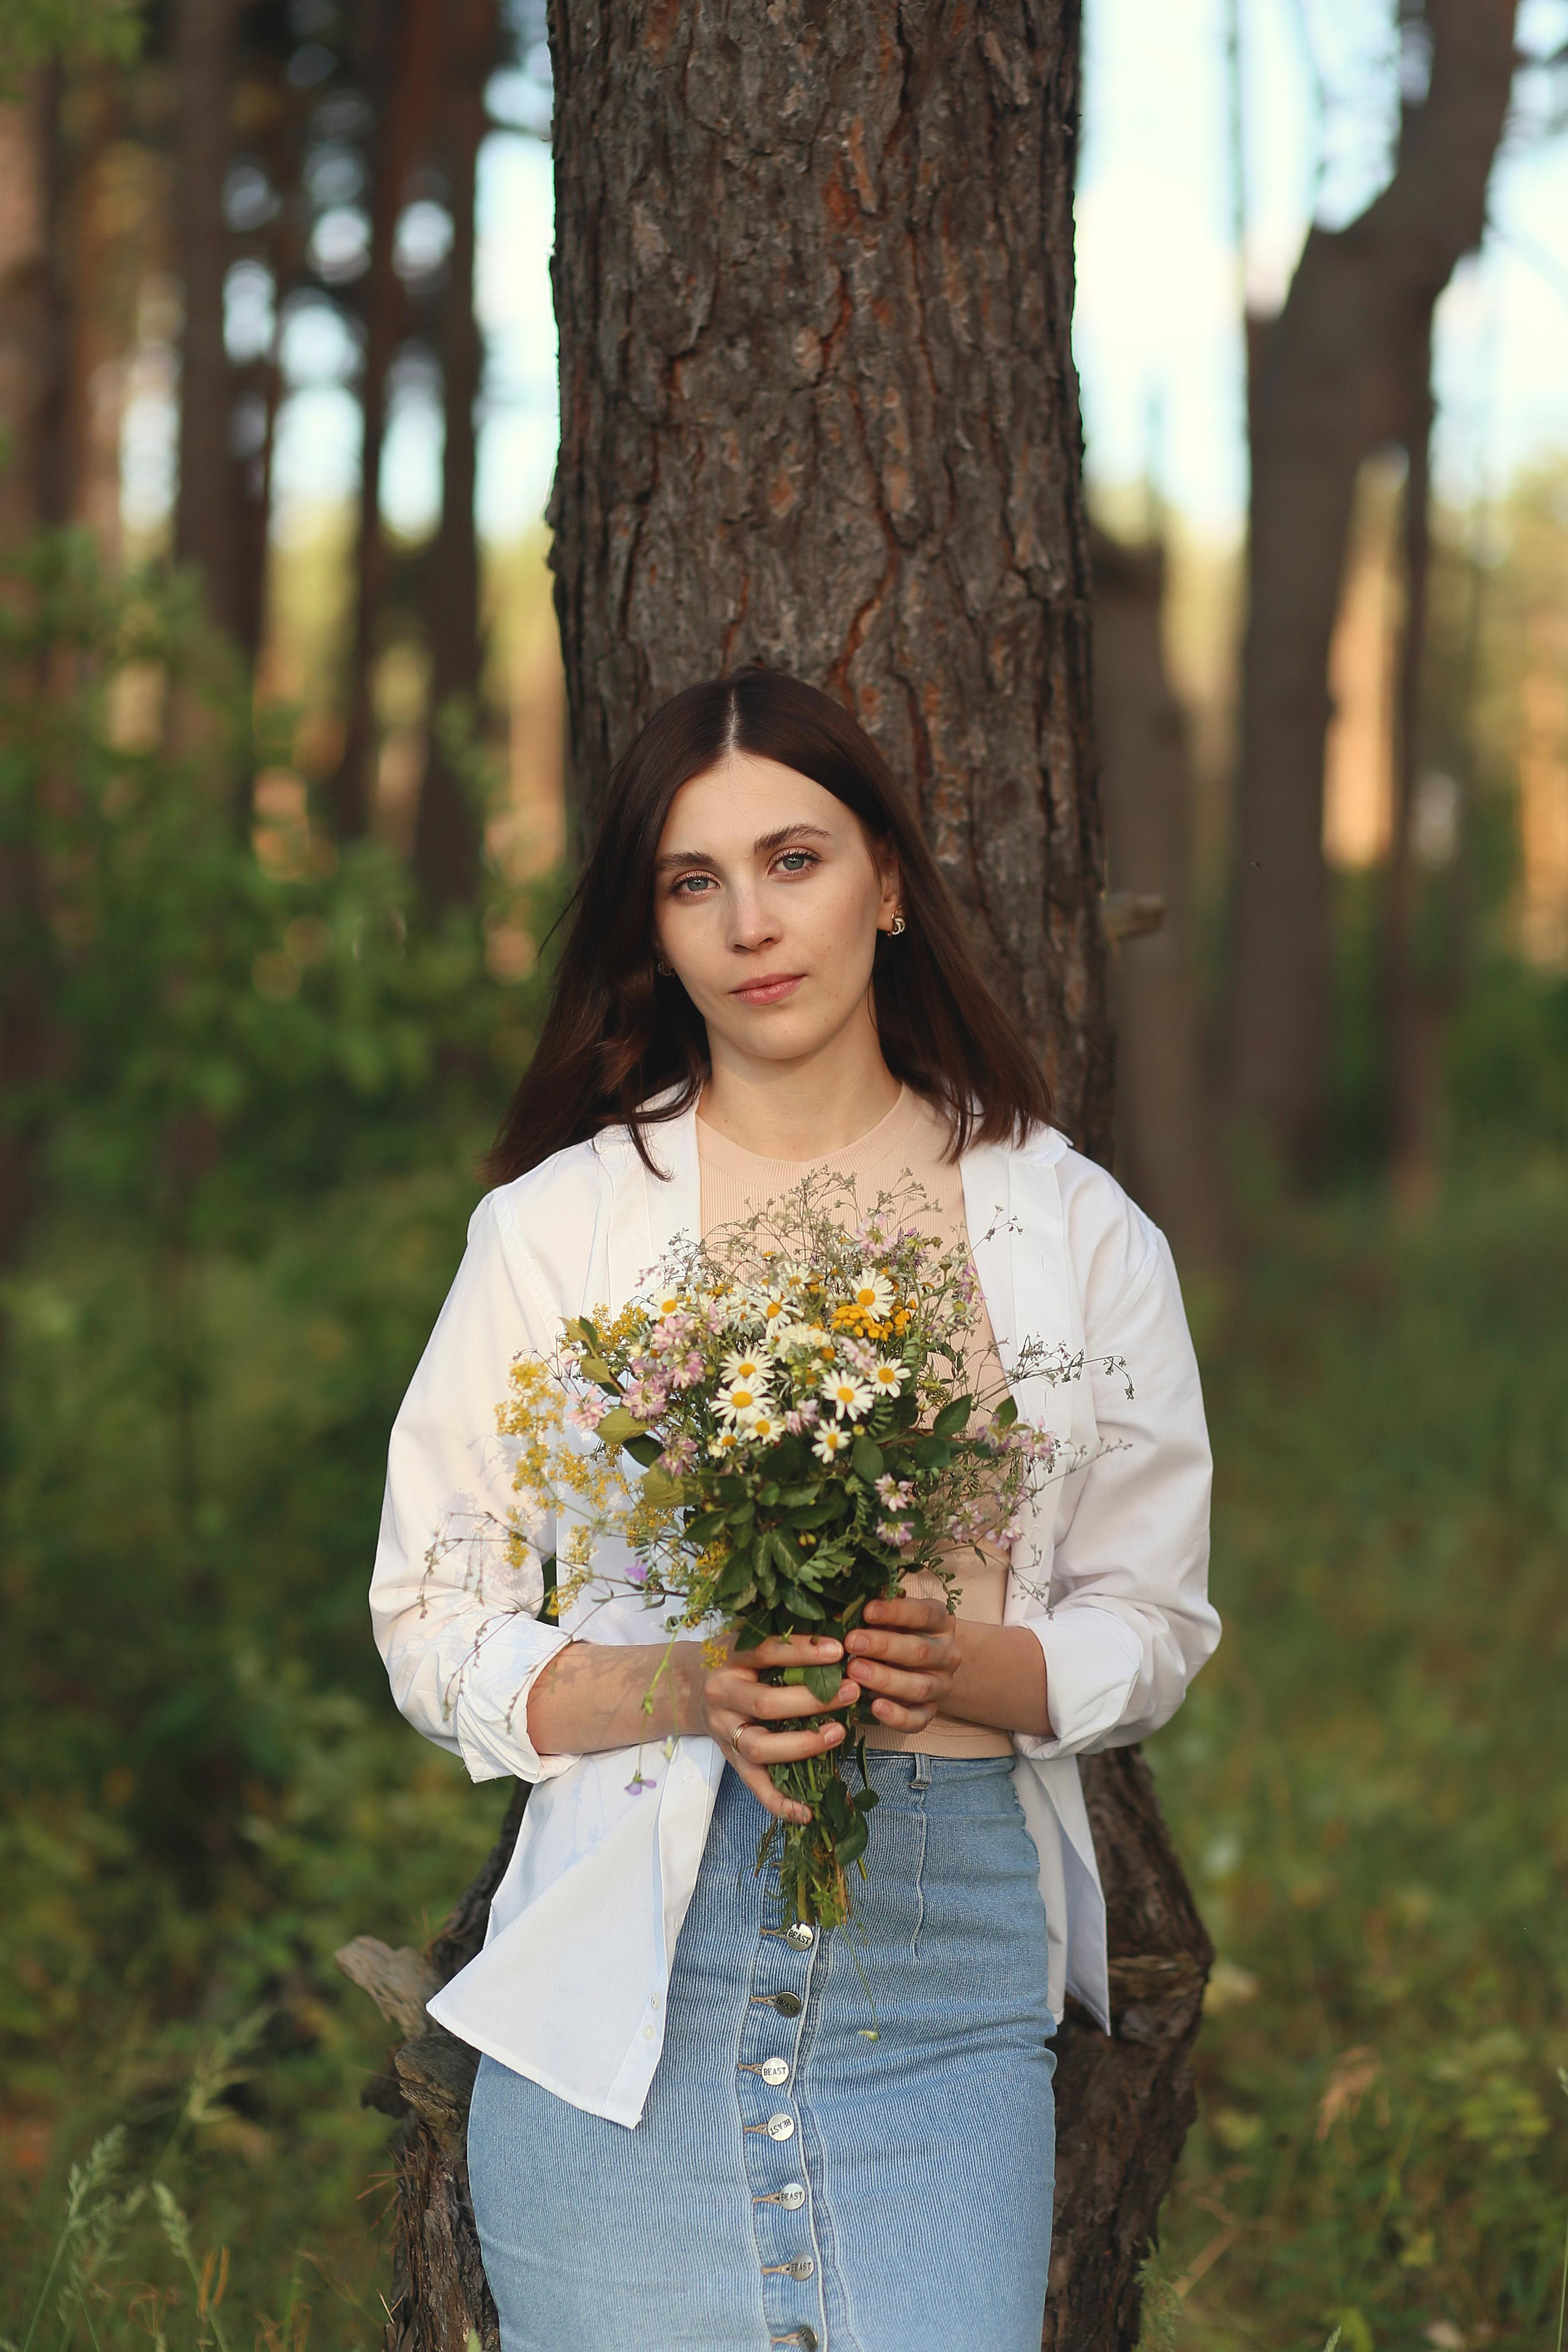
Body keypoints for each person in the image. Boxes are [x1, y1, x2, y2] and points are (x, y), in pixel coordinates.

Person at [369, 669, 1218, 2352]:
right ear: (657, 929)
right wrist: (690, 1684)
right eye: (696, 883)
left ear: (889, 885)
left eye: (797, 861)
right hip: (636, 1982)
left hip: (947, 1987)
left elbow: (1155, 1611)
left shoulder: (1071, 1223)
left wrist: (973, 1671)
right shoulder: (561, 1229)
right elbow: (431, 1613)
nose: (754, 923)